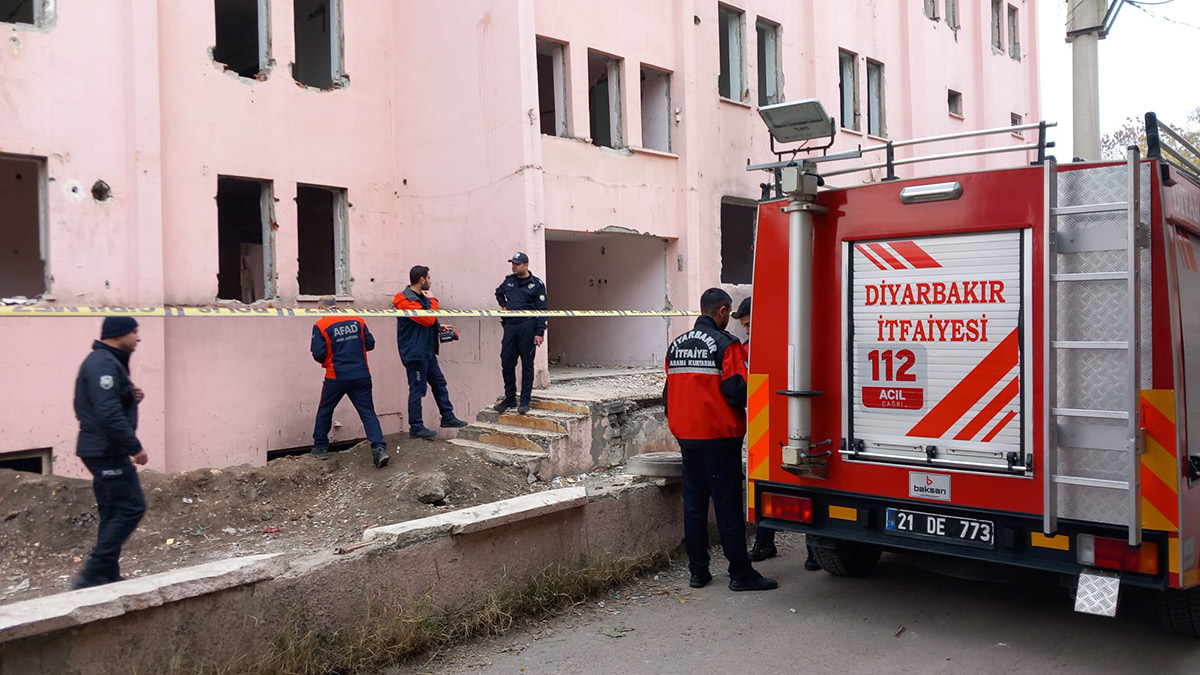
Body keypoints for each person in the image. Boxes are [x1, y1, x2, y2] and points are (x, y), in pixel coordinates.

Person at [664, 288, 778, 592]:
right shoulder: (727, 346)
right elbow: (737, 391)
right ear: (723, 311)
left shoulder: (675, 345)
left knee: (695, 507)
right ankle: (740, 573)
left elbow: (668, 394)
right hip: (719, 437)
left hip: (687, 439)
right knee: (727, 507)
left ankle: (698, 572)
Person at [734, 297, 820, 572]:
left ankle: (814, 548)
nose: (746, 331)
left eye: (749, 324)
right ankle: (764, 541)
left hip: (799, 422)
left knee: (807, 478)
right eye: (744, 326)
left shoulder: (800, 341)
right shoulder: (747, 349)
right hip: (764, 422)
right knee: (763, 481)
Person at [71, 316, 148, 590]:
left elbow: (104, 402)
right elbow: (107, 413)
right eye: (135, 332)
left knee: (113, 509)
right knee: (131, 507)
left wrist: (130, 395)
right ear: (119, 334)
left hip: (100, 448)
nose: (138, 338)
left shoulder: (108, 362)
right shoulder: (103, 363)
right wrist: (134, 447)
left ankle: (106, 574)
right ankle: (92, 573)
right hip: (106, 450)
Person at [310, 296, 390, 468]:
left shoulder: (321, 325)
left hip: (336, 376)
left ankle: (321, 448)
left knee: (325, 409)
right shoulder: (357, 320)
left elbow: (318, 354)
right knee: (368, 412)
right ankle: (379, 449)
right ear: (337, 306)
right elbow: (370, 344)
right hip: (361, 374)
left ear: (321, 308)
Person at [393, 265, 468, 439]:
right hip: (415, 352)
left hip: (426, 350)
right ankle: (416, 426)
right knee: (417, 389)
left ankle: (448, 416)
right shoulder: (405, 299)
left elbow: (427, 319)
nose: (430, 281)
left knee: (439, 383)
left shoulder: (420, 297)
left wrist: (438, 326)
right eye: (429, 278)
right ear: (422, 280)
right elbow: (426, 319)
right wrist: (433, 301)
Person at [493, 252, 548, 414]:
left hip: (528, 326)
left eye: (517, 264)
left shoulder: (536, 284)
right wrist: (504, 306)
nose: (514, 266)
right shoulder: (509, 281)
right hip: (511, 326)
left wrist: (540, 332)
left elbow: (543, 310)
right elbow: (498, 292)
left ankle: (525, 400)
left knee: (527, 364)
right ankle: (509, 397)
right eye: (513, 263)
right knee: (507, 361)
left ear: (526, 265)